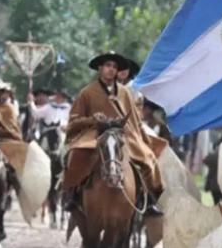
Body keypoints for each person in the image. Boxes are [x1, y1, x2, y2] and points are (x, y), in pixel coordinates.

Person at [63, 52, 164, 217]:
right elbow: (74, 120)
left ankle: (151, 199)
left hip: (123, 133)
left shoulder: (125, 92)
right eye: (108, 66)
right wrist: (92, 120)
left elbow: (135, 121)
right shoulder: (86, 93)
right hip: (94, 133)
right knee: (77, 154)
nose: (111, 70)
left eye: (115, 67)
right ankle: (72, 194)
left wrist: (144, 141)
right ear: (100, 68)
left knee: (148, 158)